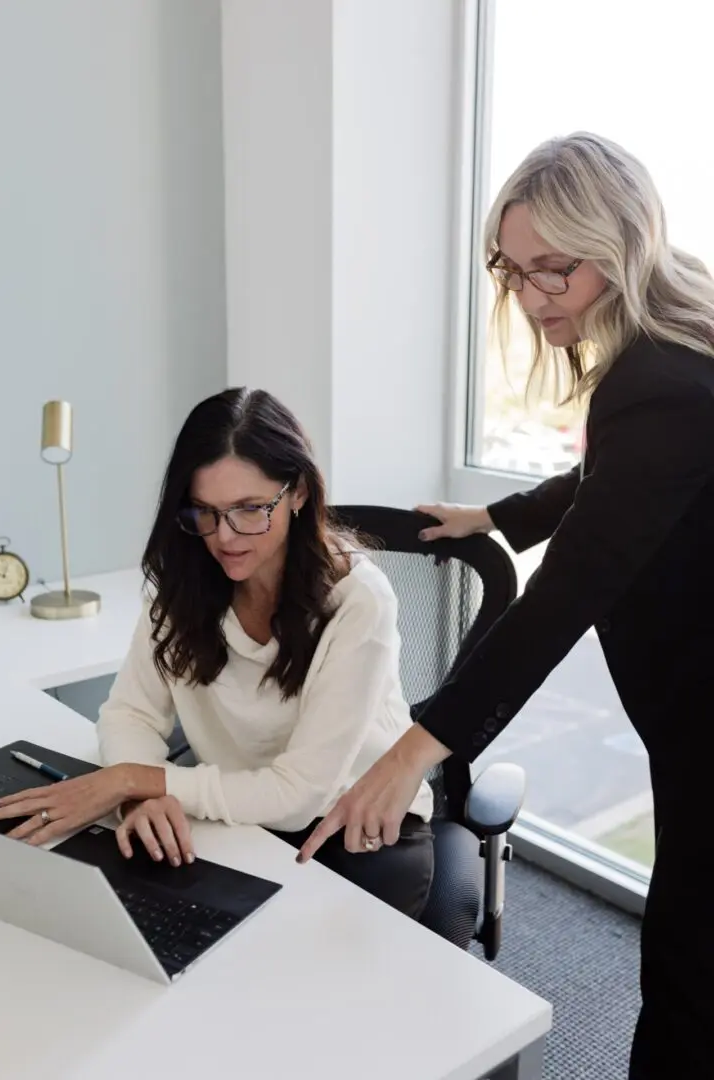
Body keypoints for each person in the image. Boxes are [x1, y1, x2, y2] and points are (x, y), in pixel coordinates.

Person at [298, 132, 714, 1077]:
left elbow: (562, 596)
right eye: (512, 271)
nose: (529, 298)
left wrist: (413, 753)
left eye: (553, 272)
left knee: (688, 981)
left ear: (620, 248)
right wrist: (494, 514)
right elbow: (604, 481)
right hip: (693, 721)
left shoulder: (662, 384)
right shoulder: (671, 353)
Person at [0, 388, 434, 920]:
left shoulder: (358, 601)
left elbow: (297, 795)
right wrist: (141, 795)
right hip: (233, 814)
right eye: (205, 511)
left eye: (250, 509)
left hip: (352, 825)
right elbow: (131, 711)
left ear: (297, 493)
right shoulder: (185, 580)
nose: (224, 537)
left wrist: (132, 778)